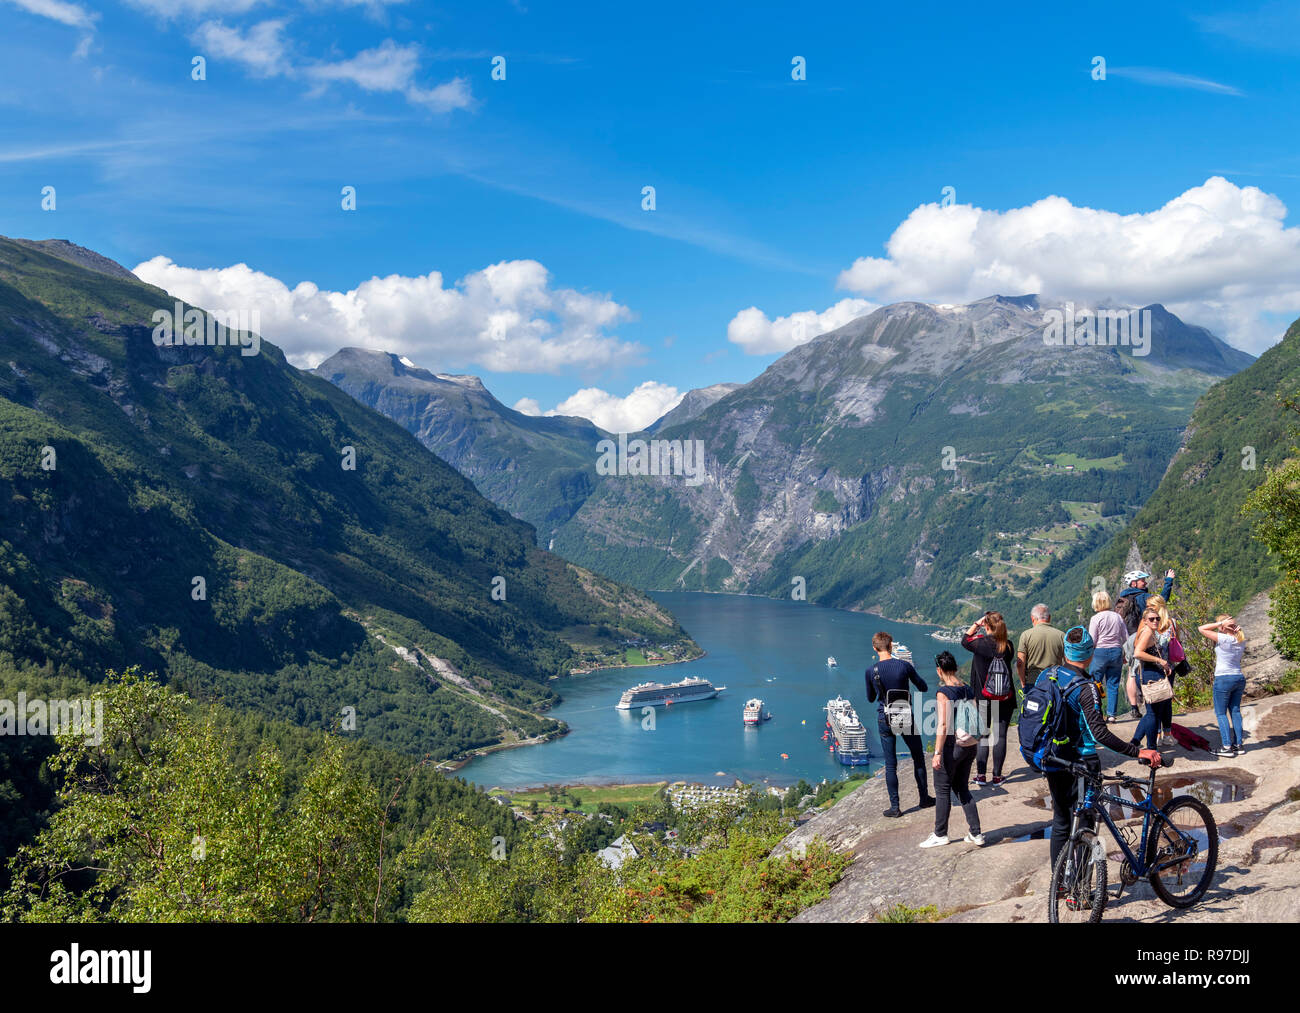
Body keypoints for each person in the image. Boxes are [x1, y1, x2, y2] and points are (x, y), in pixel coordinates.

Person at [1038, 626, 1162, 869]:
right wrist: (1137, 751)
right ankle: (1082, 890)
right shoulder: (1086, 688)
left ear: (1066, 651)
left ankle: (1061, 884)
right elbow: (1100, 733)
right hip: (1082, 762)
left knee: (1062, 821)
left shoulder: (1048, 675)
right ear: (1090, 653)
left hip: (1054, 758)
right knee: (1086, 825)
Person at [866, 631, 934, 817]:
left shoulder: (871, 671)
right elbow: (923, 687)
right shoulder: (904, 666)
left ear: (874, 647)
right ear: (891, 645)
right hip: (904, 714)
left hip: (884, 716)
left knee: (890, 764)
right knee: (918, 757)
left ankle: (895, 808)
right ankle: (924, 798)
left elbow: (871, 698)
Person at [920, 651, 983, 848]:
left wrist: (937, 753)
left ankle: (940, 834)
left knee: (942, 790)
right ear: (954, 667)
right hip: (970, 746)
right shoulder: (968, 689)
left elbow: (943, 725)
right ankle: (976, 833)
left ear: (939, 670)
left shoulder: (944, 692)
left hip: (952, 747)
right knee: (962, 788)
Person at [961, 611, 1017, 786]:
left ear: (986, 625)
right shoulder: (1008, 646)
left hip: (983, 697)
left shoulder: (979, 644)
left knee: (983, 736)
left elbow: (964, 640)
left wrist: (976, 624)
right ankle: (998, 776)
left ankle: (981, 775)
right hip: (1005, 697)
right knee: (1000, 736)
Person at [1200, 615, 1247, 757]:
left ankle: (1226, 747)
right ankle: (1238, 745)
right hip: (1238, 677)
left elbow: (1201, 629)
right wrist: (1227, 626)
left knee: (1221, 713)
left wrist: (1220, 623)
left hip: (1224, 678)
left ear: (1223, 627)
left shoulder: (1225, 639)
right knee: (1235, 711)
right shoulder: (1241, 639)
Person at [1129, 609, 1174, 751]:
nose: (1155, 621)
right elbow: (1138, 653)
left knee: (1152, 713)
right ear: (1145, 620)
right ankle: (1151, 748)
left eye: (1157, 618)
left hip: (1150, 673)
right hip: (1150, 675)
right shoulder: (1148, 632)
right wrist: (1160, 661)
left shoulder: (1147, 631)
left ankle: (1135, 742)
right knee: (1154, 714)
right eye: (1151, 619)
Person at [1145, 594, 1182, 746]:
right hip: (1169, 668)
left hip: (1154, 668)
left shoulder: (1150, 625)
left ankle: (1158, 735)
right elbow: (1177, 642)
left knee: (1156, 703)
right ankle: (1166, 734)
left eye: (1150, 607)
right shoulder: (1172, 623)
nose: (1148, 609)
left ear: (1157, 607)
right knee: (1166, 702)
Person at [1087, 591, 1128, 722]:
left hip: (1099, 653)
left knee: (1095, 684)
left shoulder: (1095, 619)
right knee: (1113, 684)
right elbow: (1125, 637)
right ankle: (1111, 715)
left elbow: (1092, 640)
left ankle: (1097, 713)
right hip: (1116, 651)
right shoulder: (1117, 617)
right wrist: (1125, 654)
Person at [1017, 604, 1064, 690]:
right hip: (1054, 682)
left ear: (1032, 618)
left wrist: (1023, 683)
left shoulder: (1026, 635)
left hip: (1033, 682)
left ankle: (987, 704)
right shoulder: (1061, 636)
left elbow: (1020, 663)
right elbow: (1067, 662)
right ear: (1049, 618)